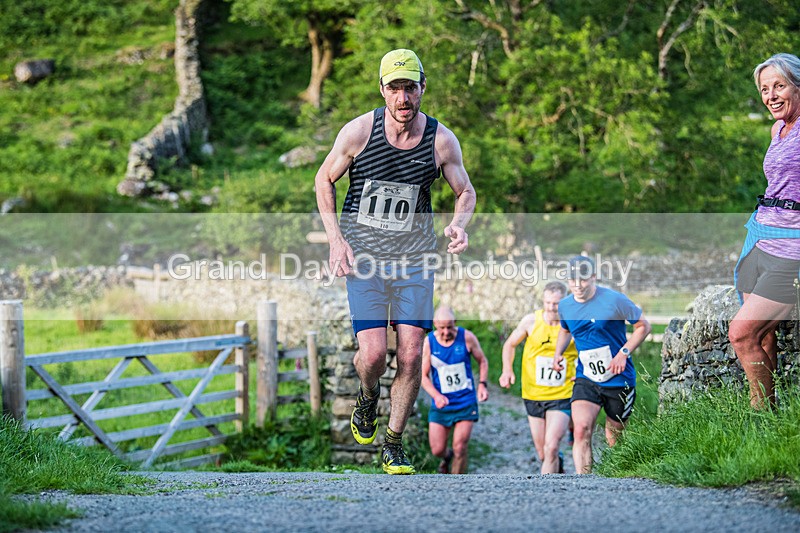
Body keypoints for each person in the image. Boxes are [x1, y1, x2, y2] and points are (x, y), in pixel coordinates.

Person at [314, 49, 477, 474]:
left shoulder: (441, 140)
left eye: (410, 87)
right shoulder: (359, 132)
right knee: (372, 357)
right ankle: (367, 399)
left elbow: (466, 190)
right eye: (394, 88)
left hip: (415, 263)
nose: (403, 98)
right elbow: (323, 178)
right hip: (365, 259)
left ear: (423, 87)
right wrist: (335, 241)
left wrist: (460, 225)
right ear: (382, 90)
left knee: (409, 354)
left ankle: (393, 442)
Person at [729, 53, 800, 410]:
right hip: (760, 236)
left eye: (779, 86)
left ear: (797, 86)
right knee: (763, 335)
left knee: (741, 333)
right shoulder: (777, 129)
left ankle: (761, 416)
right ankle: (771, 421)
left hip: (793, 248)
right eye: (764, 88)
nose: (771, 95)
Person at [553, 256, 651, 474]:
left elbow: (644, 326)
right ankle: (584, 483)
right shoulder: (565, 305)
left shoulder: (614, 300)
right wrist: (557, 353)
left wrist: (623, 353)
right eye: (572, 280)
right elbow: (565, 330)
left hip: (618, 377)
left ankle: (615, 480)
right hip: (586, 377)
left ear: (593, 277)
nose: (578, 285)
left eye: (583, 280)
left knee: (614, 437)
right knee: (581, 429)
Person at [499, 281, 578, 475]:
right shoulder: (531, 322)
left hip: (562, 393)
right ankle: (557, 468)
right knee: (543, 453)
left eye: (556, 304)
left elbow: (587, 348)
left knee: (551, 446)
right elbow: (509, 345)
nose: (552, 308)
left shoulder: (574, 324)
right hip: (533, 393)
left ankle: (548, 495)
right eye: (548, 303)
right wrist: (507, 370)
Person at [420, 306, 489, 474]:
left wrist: (482, 384)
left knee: (460, 447)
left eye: (449, 327)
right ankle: (447, 456)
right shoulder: (429, 343)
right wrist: (436, 396)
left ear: (455, 323)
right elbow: (422, 375)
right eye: (441, 327)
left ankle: (457, 485)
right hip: (442, 404)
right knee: (437, 449)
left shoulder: (466, 337)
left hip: (465, 401)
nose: (446, 332)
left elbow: (483, 361)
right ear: (435, 324)